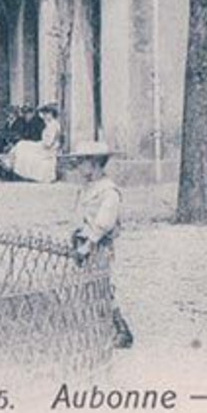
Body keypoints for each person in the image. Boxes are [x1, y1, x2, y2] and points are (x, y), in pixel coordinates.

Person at [64, 139, 134, 349]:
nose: (78, 167)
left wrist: (87, 245)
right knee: (89, 286)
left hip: (97, 245)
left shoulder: (109, 192)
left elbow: (103, 223)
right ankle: (97, 327)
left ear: (94, 163)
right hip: (82, 241)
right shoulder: (87, 188)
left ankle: (121, 330)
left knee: (102, 286)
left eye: (82, 162)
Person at [9, 103, 63, 184]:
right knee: (21, 144)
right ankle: (12, 164)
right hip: (44, 145)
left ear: (52, 114)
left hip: (48, 149)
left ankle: (12, 165)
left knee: (22, 145)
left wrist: (39, 143)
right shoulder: (50, 124)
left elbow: (48, 143)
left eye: (46, 114)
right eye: (44, 114)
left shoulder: (53, 125)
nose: (44, 116)